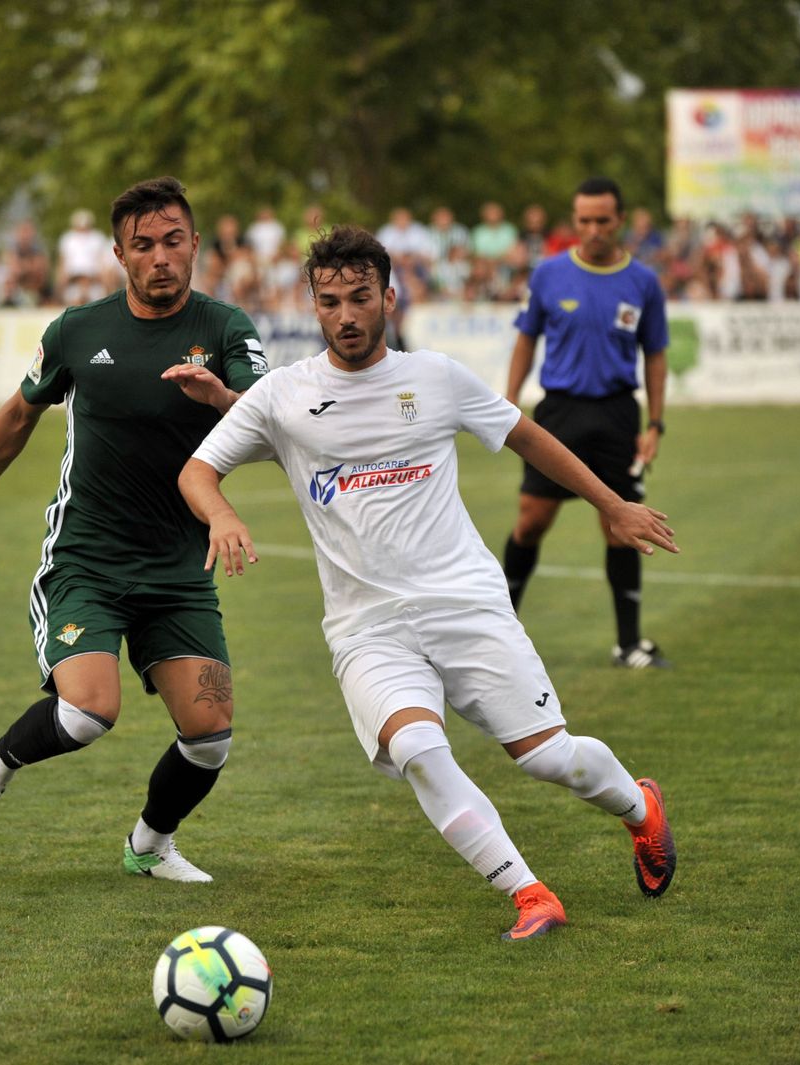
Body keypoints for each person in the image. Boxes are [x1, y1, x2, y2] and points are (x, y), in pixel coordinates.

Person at [173, 225, 678, 942]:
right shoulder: (282, 395)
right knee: (416, 750)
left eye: (359, 297)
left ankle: (640, 807)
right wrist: (220, 514)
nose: (345, 315)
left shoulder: (435, 378)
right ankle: (530, 893)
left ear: (389, 296)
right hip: (367, 628)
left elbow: (527, 436)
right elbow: (197, 470)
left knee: (547, 757)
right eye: (329, 301)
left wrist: (613, 503)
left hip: (465, 602)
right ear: (312, 305)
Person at [0, 176, 270, 883]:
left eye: (174, 241)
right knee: (88, 711)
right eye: (143, 245)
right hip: (89, 562)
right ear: (118, 254)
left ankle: (149, 844)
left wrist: (222, 398)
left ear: (196, 244)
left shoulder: (227, 328)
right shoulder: (79, 332)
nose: (161, 257)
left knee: (209, 736)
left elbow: (267, 415)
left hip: (178, 570)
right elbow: (18, 415)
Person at [498, 177, 672, 669]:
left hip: (618, 413)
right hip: (559, 413)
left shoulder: (643, 283)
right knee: (531, 521)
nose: (593, 229)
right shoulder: (549, 275)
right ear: (575, 222)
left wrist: (655, 424)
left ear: (620, 221)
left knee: (621, 524)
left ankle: (630, 643)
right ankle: (500, 633)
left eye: (603, 220)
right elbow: (526, 339)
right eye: (584, 221)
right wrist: (509, 402)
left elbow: (655, 356)